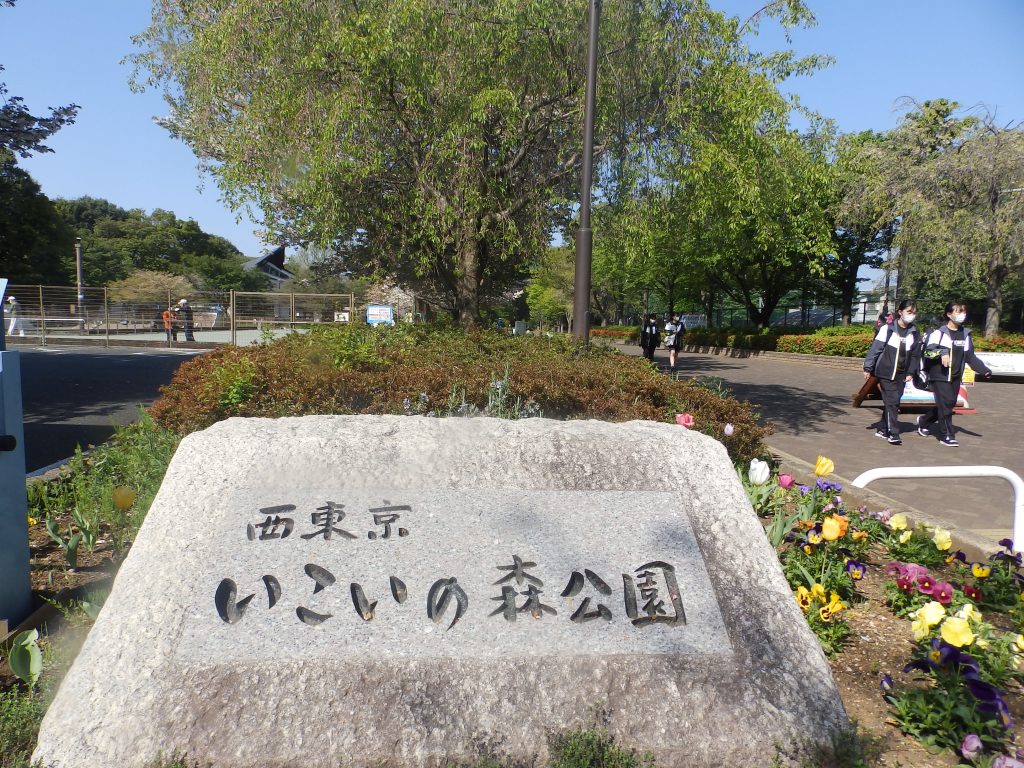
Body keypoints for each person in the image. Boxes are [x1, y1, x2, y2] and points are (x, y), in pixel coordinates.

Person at [917, 301, 992, 447]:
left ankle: (924, 421)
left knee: (948, 404)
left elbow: (970, 357)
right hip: (939, 375)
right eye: (958, 311)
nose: (962, 314)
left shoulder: (965, 334)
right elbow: (927, 352)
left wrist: (984, 370)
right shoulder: (938, 334)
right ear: (949, 314)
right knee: (946, 406)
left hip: (956, 376)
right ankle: (947, 435)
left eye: (963, 311)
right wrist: (943, 352)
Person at [863, 300, 921, 445]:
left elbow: (915, 354)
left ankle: (882, 428)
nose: (911, 315)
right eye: (909, 312)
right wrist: (868, 367)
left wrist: (910, 372)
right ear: (900, 312)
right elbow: (875, 349)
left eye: (914, 313)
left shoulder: (914, 331)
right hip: (885, 372)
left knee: (893, 402)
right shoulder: (887, 329)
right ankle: (893, 433)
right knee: (893, 401)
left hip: (902, 373)